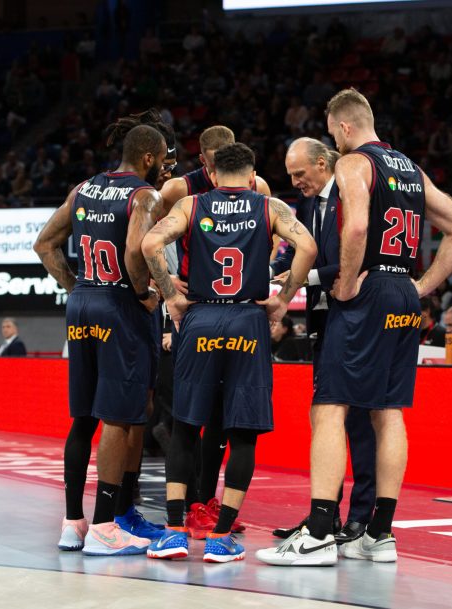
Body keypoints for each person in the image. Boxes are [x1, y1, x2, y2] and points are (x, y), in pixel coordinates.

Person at [258, 88, 452, 566]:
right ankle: (379, 532)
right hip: (401, 292)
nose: (334, 139)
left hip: (369, 290)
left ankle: (318, 532)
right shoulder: (411, 169)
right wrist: (422, 287)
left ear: (345, 127)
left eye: (334, 131)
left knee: (330, 406)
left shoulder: (355, 164)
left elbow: (355, 229)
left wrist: (348, 283)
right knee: (389, 410)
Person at [142, 142, 316, 562]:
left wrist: (170, 296)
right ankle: (220, 537)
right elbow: (307, 248)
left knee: (185, 426)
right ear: (253, 174)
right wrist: (283, 297)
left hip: (200, 317)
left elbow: (150, 244)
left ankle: (174, 532)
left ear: (215, 174)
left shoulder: (191, 204)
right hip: (247, 321)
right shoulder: (269, 205)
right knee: (241, 432)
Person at [34, 122, 167, 556]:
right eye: (163, 159)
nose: (164, 166)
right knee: (120, 416)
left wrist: (75, 286)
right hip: (119, 306)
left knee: (85, 418)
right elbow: (134, 252)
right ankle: (107, 526)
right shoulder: (142, 195)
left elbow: (44, 245)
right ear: (149, 158)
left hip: (83, 304)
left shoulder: (83, 189)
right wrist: (145, 292)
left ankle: (74, 522)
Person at [158, 125, 272, 534]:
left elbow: (147, 240)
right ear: (203, 161)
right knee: (187, 420)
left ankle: (202, 507)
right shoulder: (180, 191)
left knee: (218, 425)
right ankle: (189, 511)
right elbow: (146, 234)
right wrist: (167, 286)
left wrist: (267, 277)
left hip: (206, 312)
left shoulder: (257, 188)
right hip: (200, 310)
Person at [270, 136, 375, 545]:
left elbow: (358, 258)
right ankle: (324, 516)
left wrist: (301, 277)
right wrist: (269, 269)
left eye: (300, 173)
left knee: (358, 420)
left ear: (322, 162)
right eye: (291, 175)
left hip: (355, 316)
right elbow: (291, 252)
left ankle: (361, 517)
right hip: (323, 317)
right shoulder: (309, 204)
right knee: (327, 420)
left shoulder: (351, 197)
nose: (295, 181)